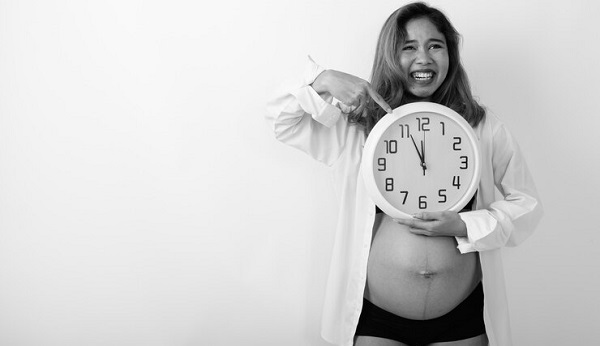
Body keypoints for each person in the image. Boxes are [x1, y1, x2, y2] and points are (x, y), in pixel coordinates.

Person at [265, 2, 542, 346]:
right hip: (376, 317)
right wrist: (323, 80)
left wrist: (466, 225)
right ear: (390, 57)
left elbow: (526, 203)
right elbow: (280, 119)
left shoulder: (481, 126)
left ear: (450, 56)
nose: (423, 58)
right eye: (408, 47)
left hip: (463, 317)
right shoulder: (358, 123)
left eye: (435, 46)